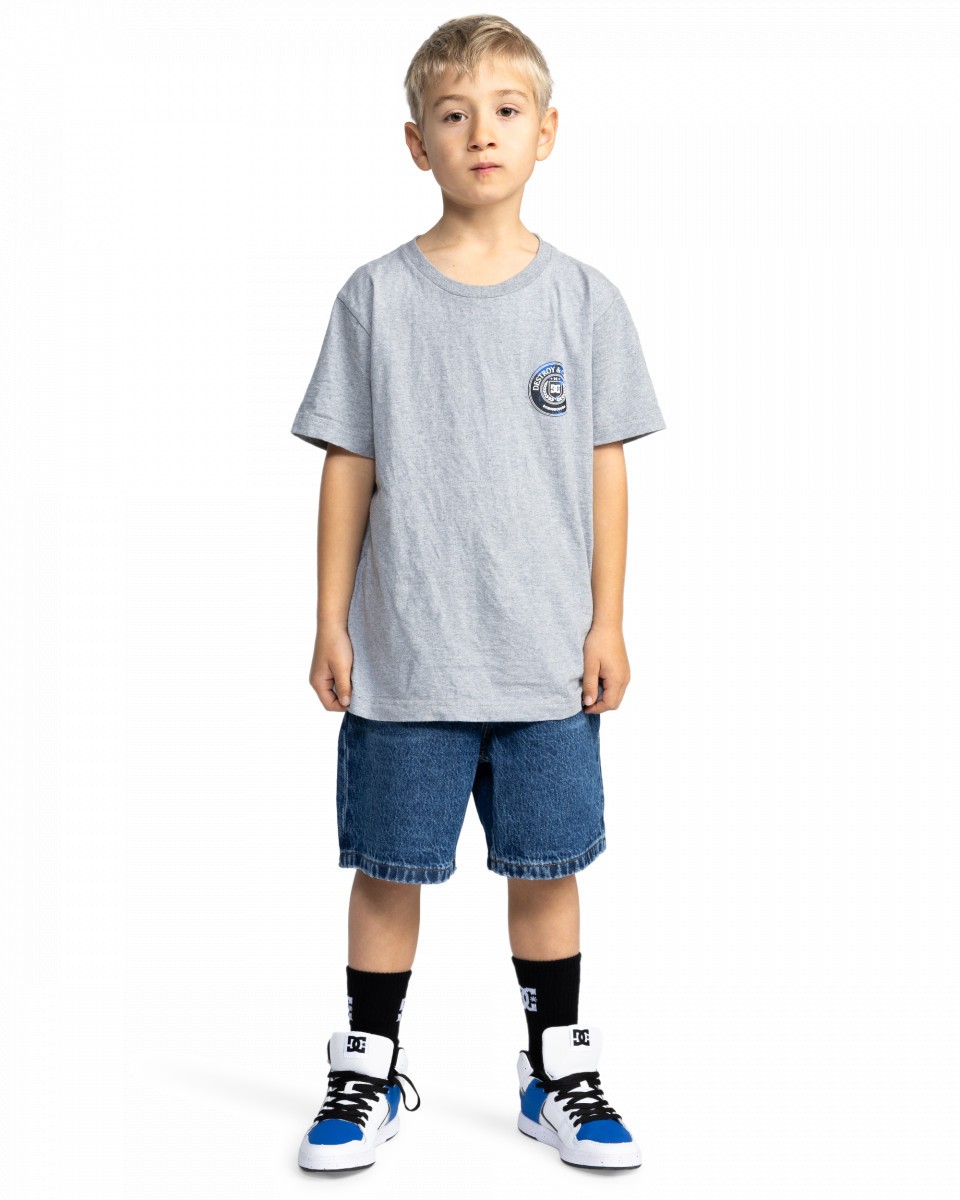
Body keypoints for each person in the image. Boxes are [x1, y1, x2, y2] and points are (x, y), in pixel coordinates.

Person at [291, 14, 666, 1173]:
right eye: (453, 116)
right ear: (418, 144)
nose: (481, 133)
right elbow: (347, 466)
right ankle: (369, 1067)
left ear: (546, 133)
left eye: (506, 111)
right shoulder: (375, 297)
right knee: (387, 869)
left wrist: (608, 620)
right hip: (409, 657)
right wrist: (329, 619)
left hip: (546, 658)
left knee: (548, 869)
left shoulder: (585, 301)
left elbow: (606, 468)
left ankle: (557, 1069)